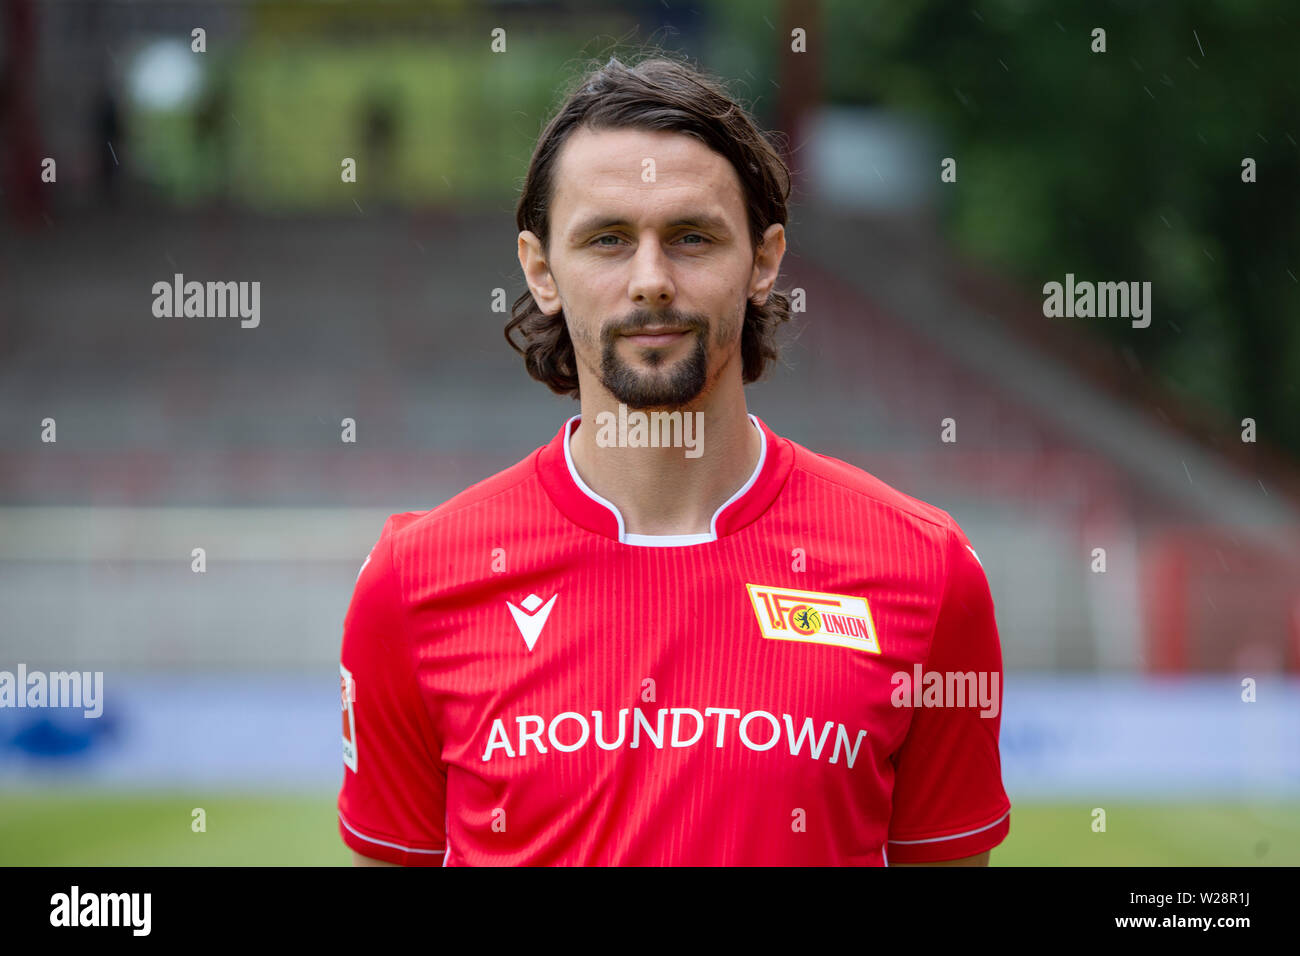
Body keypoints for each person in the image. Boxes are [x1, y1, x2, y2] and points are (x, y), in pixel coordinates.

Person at [338, 54, 1009, 866]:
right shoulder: (413, 586)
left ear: (762, 262)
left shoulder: (924, 573)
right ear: (541, 269)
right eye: (608, 239)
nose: (651, 280)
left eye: (691, 237)